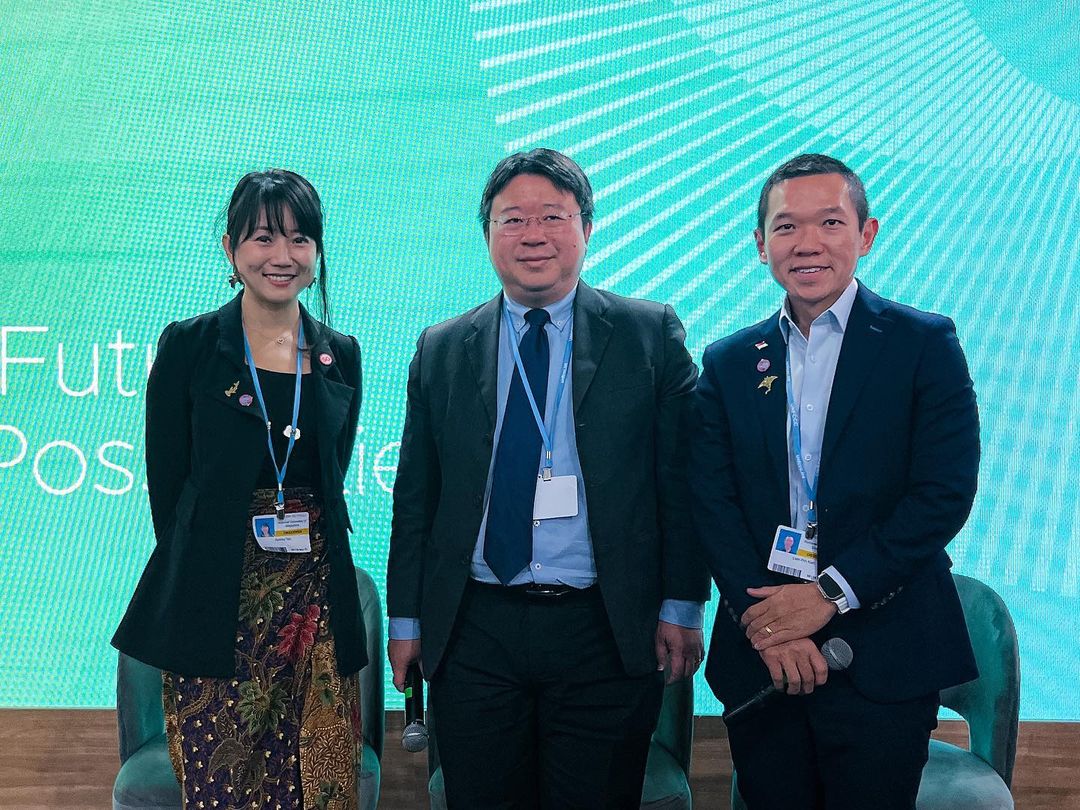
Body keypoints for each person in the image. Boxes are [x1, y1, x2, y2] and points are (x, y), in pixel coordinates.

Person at [386, 148, 710, 809]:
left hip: (604, 627)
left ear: (587, 228)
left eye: (552, 216)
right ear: (487, 235)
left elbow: (682, 484)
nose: (533, 235)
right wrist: (407, 619)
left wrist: (682, 604)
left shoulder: (648, 335)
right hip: (476, 627)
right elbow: (417, 496)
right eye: (512, 219)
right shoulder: (442, 347)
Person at [689, 154, 980, 809]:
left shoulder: (922, 343)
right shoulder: (732, 361)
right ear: (761, 245)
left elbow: (942, 494)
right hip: (764, 659)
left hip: (886, 646)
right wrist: (770, 627)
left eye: (830, 222)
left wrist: (828, 594)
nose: (808, 243)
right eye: (787, 228)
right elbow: (711, 501)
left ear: (866, 234)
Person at [112, 169, 366, 810]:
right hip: (215, 600)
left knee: (323, 784)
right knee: (227, 788)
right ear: (230, 248)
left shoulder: (341, 355)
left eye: (300, 239)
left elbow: (330, 470)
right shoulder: (192, 347)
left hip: (315, 606)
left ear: (317, 252)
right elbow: (167, 489)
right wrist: (215, 553)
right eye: (263, 237)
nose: (282, 256)